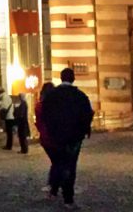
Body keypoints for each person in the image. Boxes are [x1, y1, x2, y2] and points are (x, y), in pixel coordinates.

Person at [41, 67, 94, 210]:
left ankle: (53, 191)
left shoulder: (52, 96)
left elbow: (45, 114)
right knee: (70, 166)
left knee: (58, 163)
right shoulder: (81, 96)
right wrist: (83, 131)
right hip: (74, 138)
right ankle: (68, 199)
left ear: (61, 78)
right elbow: (87, 115)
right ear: (73, 78)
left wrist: (52, 131)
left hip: (56, 137)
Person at [36, 82, 58, 195]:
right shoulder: (55, 106)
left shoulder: (39, 106)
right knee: (58, 162)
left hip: (44, 138)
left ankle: (53, 185)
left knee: (55, 162)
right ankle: (54, 186)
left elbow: (39, 123)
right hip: (55, 137)